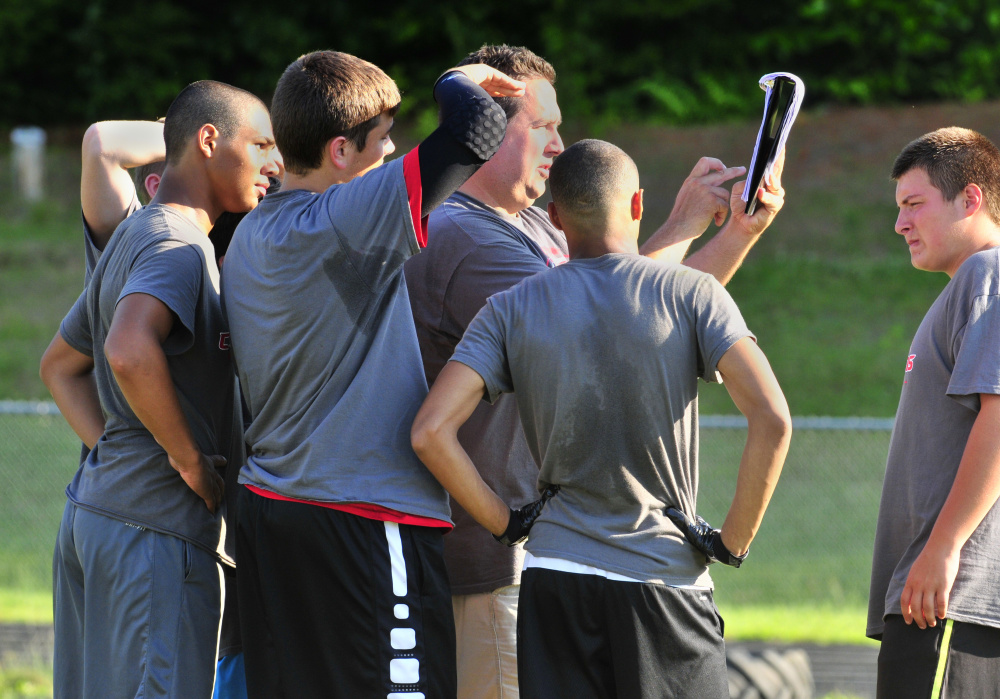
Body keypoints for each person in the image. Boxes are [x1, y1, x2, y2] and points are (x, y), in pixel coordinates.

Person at [403, 43, 787, 699]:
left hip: (545, 563)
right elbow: (619, 310)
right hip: (502, 569)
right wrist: (683, 226)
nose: (558, 141)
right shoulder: (467, 237)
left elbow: (625, 293)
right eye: (543, 125)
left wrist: (724, 234)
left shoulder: (528, 225)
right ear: (486, 126)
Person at [219, 50, 524, 698]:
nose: (390, 154)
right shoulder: (342, 219)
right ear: (339, 152)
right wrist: (458, 79)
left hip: (276, 514)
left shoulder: (254, 231)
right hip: (359, 517)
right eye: (382, 140)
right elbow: (474, 132)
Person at [39, 80, 280, 698]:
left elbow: (60, 366)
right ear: (208, 141)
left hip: (98, 513)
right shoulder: (178, 244)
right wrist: (187, 459)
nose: (273, 164)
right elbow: (125, 350)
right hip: (156, 533)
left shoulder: (132, 234)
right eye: (260, 144)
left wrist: (116, 450)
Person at [867, 127, 1000, 698]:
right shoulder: (968, 287)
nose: (900, 224)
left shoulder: (988, 273)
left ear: (970, 199)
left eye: (914, 205)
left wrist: (942, 549)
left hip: (951, 597)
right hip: (937, 595)